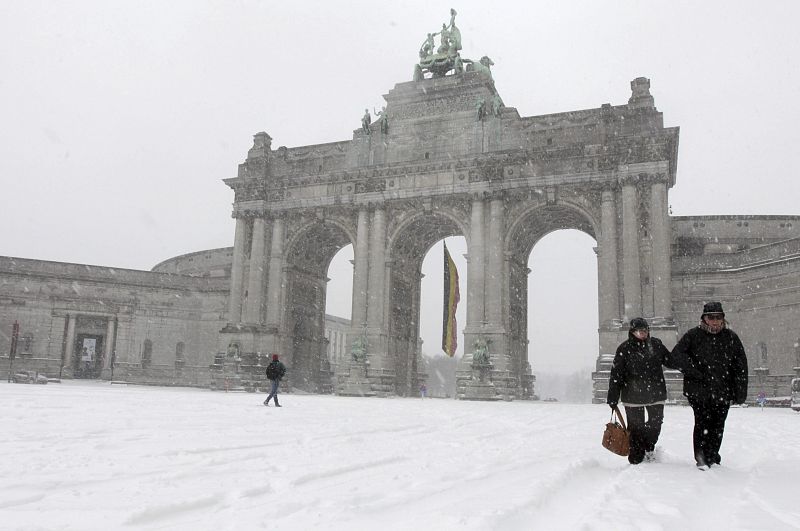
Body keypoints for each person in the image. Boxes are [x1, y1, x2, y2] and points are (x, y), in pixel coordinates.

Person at [672, 302, 748, 470]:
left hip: (723, 390)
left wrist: (740, 391)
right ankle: (701, 457)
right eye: (711, 317)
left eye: (718, 317)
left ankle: (712, 455)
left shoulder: (731, 338)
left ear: (723, 319)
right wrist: (694, 372)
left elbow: (740, 366)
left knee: (718, 425)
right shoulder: (693, 336)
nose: (715, 321)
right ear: (704, 319)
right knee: (702, 423)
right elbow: (676, 356)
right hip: (699, 391)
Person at [606, 318, 678, 465]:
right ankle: (636, 457)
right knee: (635, 428)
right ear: (632, 332)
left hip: (655, 394)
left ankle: (648, 447)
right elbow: (616, 375)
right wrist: (613, 396)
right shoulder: (624, 349)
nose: (644, 334)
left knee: (655, 424)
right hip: (633, 396)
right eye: (640, 331)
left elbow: (671, 361)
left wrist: (686, 358)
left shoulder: (656, 345)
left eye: (646, 330)